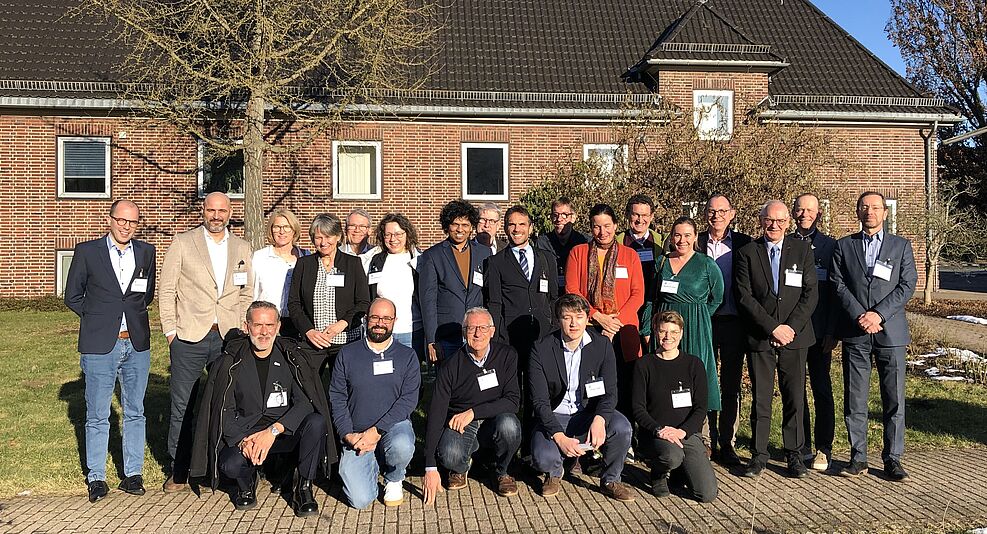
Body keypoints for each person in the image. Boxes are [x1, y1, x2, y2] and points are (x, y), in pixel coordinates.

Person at [189, 301, 335, 517]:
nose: (264, 332)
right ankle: (247, 484)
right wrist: (242, 441)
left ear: (278, 327)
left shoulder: (290, 357)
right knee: (229, 465)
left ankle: (303, 487)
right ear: (247, 327)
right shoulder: (231, 362)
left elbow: (305, 402)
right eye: (258, 325)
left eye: (269, 325)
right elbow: (223, 410)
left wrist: (274, 431)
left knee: (316, 422)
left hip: (282, 431)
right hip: (247, 433)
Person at [159, 191, 254, 492]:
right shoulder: (183, 243)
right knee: (182, 405)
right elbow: (166, 290)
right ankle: (179, 468)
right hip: (189, 336)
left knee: (226, 403)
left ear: (230, 212)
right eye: (211, 210)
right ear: (203, 211)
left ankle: (221, 463)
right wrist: (170, 332)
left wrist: (240, 326)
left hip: (228, 336)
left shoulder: (242, 247)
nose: (216, 215)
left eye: (222, 210)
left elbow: (247, 292)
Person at [64, 200, 156, 503]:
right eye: (120, 220)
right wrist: (96, 319)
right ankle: (97, 478)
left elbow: (146, 295)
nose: (125, 226)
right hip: (100, 344)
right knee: (98, 414)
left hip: (137, 343)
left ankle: (133, 474)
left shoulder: (146, 252)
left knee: (135, 411)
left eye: (132, 221)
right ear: (109, 220)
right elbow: (73, 296)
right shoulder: (87, 252)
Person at [831, 191, 916, 481]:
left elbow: (907, 285)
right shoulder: (844, 246)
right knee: (855, 397)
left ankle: (893, 457)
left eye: (876, 207)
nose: (870, 212)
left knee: (894, 399)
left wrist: (877, 315)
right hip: (855, 332)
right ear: (857, 212)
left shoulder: (901, 246)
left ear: (885, 213)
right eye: (865, 207)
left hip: (890, 332)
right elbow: (838, 284)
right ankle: (858, 457)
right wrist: (860, 315)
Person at [734, 200, 818, 478]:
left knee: (794, 396)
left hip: (795, 337)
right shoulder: (747, 252)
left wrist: (789, 328)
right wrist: (773, 328)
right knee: (761, 398)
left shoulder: (803, 250)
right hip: (760, 336)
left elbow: (810, 294)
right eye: (769, 220)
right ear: (760, 220)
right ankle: (759, 455)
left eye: (781, 221)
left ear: (788, 223)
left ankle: (794, 454)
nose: (774, 225)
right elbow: (745, 297)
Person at [528, 294, 635, 502]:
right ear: (558, 320)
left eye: (578, 316)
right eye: (567, 317)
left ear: (588, 318)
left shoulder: (602, 346)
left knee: (622, 427)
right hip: (555, 415)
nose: (573, 323)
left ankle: (610, 480)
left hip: (588, 414)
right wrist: (559, 436)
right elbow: (539, 402)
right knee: (542, 459)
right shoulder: (540, 349)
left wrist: (600, 419)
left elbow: (611, 392)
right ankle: (554, 473)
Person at [422, 308, 522, 505]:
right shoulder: (450, 366)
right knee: (449, 455)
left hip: (495, 418)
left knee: (509, 426)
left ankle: (501, 471)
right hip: (462, 423)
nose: (478, 334)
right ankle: (462, 467)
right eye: (472, 328)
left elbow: (513, 401)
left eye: (483, 328)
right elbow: (437, 412)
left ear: (492, 331)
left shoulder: (507, 355)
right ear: (463, 331)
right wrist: (430, 467)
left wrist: (473, 412)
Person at [330, 298, 420, 509]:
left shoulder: (407, 356)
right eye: (375, 317)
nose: (380, 323)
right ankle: (372, 460)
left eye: (386, 318)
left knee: (402, 445)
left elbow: (408, 400)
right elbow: (337, 396)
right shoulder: (347, 354)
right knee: (360, 500)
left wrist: (377, 431)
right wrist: (347, 434)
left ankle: (394, 476)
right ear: (366, 319)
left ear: (394, 321)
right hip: (357, 434)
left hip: (393, 427)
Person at [564, 203, 644, 419]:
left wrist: (613, 324)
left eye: (607, 226)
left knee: (624, 385)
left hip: (623, 331)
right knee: (592, 385)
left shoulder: (629, 255)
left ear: (616, 225)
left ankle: (625, 441)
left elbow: (638, 294)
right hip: (589, 330)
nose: (603, 232)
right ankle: (590, 438)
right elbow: (572, 290)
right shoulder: (578, 253)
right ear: (591, 227)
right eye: (597, 227)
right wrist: (597, 317)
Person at [652, 217, 724, 451]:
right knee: (665, 375)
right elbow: (652, 298)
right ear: (671, 237)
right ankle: (664, 432)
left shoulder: (706, 264)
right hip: (665, 327)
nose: (681, 240)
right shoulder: (661, 262)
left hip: (695, 327)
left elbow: (718, 298)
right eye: (677, 235)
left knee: (696, 376)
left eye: (687, 235)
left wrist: (699, 315)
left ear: (695, 238)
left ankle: (700, 435)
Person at [632, 310, 717, 503]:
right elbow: (638, 408)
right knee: (672, 455)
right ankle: (658, 474)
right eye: (663, 331)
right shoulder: (644, 365)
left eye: (673, 332)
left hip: (686, 434)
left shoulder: (694, 364)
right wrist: (659, 429)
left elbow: (701, 408)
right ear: (655, 331)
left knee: (707, 494)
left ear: (681, 333)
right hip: (657, 435)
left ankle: (680, 471)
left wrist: (682, 432)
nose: (668, 337)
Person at [698, 194, 752, 464]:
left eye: (722, 211)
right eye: (711, 210)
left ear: (732, 214)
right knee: (704, 380)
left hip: (734, 322)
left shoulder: (744, 244)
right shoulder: (694, 242)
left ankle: (727, 442)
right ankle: (705, 440)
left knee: (731, 384)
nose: (716, 215)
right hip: (702, 323)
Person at [790, 193, 839, 471]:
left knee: (821, 388)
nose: (804, 214)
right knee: (796, 390)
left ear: (818, 213)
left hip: (820, 331)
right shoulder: (786, 244)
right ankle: (802, 444)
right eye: (800, 209)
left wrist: (832, 331)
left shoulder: (831, 247)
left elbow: (835, 293)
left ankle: (824, 447)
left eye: (810, 210)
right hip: (794, 331)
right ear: (794, 213)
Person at [288, 213, 370, 376]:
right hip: (313, 341)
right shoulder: (304, 264)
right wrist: (309, 331)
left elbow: (363, 302)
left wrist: (343, 323)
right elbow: (294, 304)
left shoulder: (352, 264)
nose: (323, 242)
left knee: (343, 388)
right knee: (308, 388)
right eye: (318, 237)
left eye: (328, 236)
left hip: (345, 340)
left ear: (338, 236)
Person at [418, 200, 492, 362]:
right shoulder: (432, 255)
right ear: (447, 226)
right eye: (455, 224)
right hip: (446, 335)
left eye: (465, 224)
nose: (460, 229)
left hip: (477, 333)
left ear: (472, 226)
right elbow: (427, 300)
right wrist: (431, 339)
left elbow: (489, 294)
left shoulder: (485, 254)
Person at [485, 205, 559, 363]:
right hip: (511, 337)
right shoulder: (495, 262)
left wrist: (554, 327)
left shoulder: (547, 258)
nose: (517, 229)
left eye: (522, 224)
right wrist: (497, 338)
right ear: (505, 228)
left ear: (530, 228)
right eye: (512, 224)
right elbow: (495, 303)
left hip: (543, 334)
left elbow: (553, 297)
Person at [368, 213, 424, 360]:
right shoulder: (376, 261)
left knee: (410, 377)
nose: (393, 239)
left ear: (407, 234)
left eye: (398, 234)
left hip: (412, 331)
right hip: (383, 331)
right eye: (388, 235)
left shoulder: (419, 260)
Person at [252, 209, 309, 340]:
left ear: (294, 230)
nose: (282, 231)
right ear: (271, 230)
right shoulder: (260, 257)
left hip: (298, 324)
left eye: (287, 227)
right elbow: (252, 292)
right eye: (277, 227)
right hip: (268, 324)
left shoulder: (306, 256)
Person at [615, 194, 664, 347]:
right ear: (628, 215)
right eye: (635, 214)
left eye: (644, 215)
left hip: (653, 306)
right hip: (625, 307)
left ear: (652, 216)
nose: (640, 220)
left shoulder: (661, 242)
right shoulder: (616, 242)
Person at [535, 197, 589, 290]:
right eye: (555, 215)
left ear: (573, 218)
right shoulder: (542, 243)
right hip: (551, 293)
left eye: (564, 215)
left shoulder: (584, 242)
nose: (559, 219)